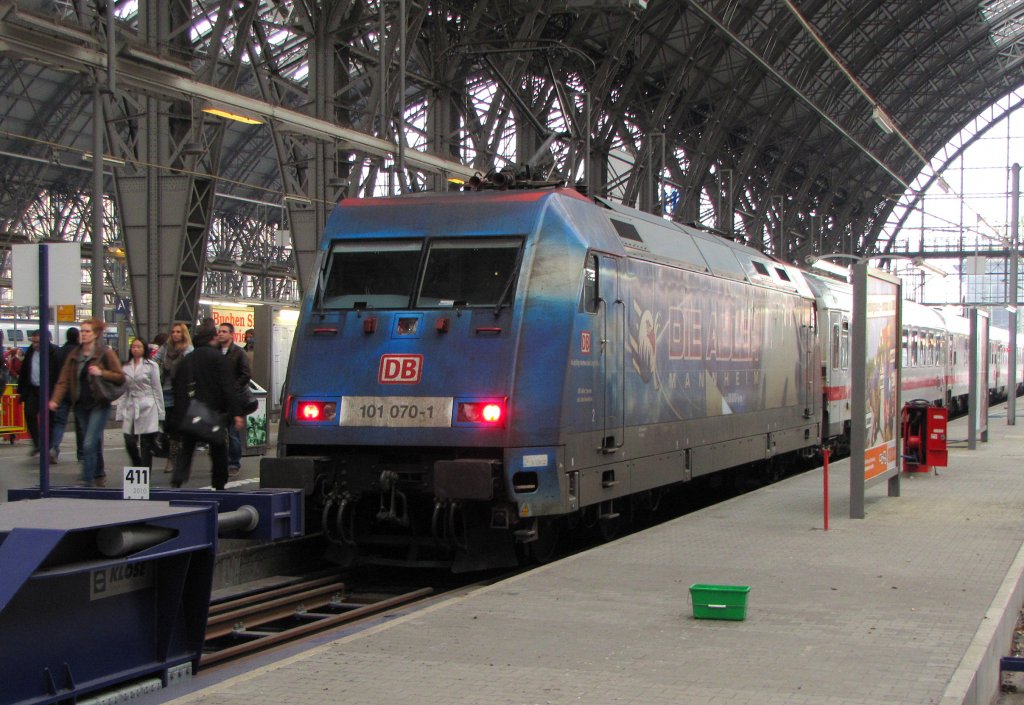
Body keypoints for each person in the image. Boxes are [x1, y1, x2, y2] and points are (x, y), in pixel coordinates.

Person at [49, 318, 125, 487]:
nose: (83, 334)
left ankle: (86, 478)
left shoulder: (105, 353)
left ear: (96, 334)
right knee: (93, 441)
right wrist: (55, 400)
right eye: (82, 331)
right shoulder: (74, 355)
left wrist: (101, 372)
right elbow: (63, 380)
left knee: (89, 442)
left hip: (99, 404)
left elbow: (120, 377)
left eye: (87, 331)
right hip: (81, 405)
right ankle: (99, 474)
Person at [169, 324, 243, 491]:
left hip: (190, 412)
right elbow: (228, 387)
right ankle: (219, 483)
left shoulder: (187, 359)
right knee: (218, 449)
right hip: (212, 412)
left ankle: (178, 479)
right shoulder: (219, 359)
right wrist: (236, 413)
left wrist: (179, 414)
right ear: (211, 339)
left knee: (187, 448)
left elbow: (177, 387)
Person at [116, 336, 165, 469]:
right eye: (133, 347)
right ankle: (137, 464)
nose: (135, 349)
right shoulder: (126, 367)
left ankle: (145, 472)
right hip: (131, 405)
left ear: (144, 349)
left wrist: (161, 412)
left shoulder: (151, 366)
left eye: (139, 347)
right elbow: (124, 391)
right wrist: (120, 412)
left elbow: (157, 389)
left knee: (146, 443)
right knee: (129, 441)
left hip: (148, 406)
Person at [154, 322, 193, 472]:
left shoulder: (188, 349)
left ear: (183, 334)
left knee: (176, 426)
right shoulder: (165, 348)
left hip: (181, 392)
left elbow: (190, 369)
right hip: (166, 390)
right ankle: (173, 451)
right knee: (167, 424)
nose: (175, 334)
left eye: (178, 332)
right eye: (173, 332)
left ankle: (173, 457)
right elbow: (155, 360)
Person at [216, 321, 251, 476]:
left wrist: (233, 388)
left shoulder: (238, 353)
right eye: (219, 331)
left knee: (233, 434)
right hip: (218, 399)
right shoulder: (215, 352)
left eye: (224, 331)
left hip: (234, 399)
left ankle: (234, 463)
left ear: (231, 334)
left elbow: (246, 374)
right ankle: (220, 462)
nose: (221, 334)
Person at [17, 329, 57, 457]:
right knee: (29, 413)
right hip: (33, 389)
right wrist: (21, 390)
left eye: (37, 342)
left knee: (50, 420)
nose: (35, 345)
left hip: (48, 390)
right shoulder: (30, 351)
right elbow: (24, 371)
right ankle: (37, 442)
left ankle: (50, 448)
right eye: (33, 342)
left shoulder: (53, 352)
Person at [49, 326, 78, 463]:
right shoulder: (80, 352)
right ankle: (82, 454)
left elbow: (53, 374)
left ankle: (54, 448)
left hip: (62, 393)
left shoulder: (58, 352)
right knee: (81, 424)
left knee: (59, 422)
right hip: (77, 393)